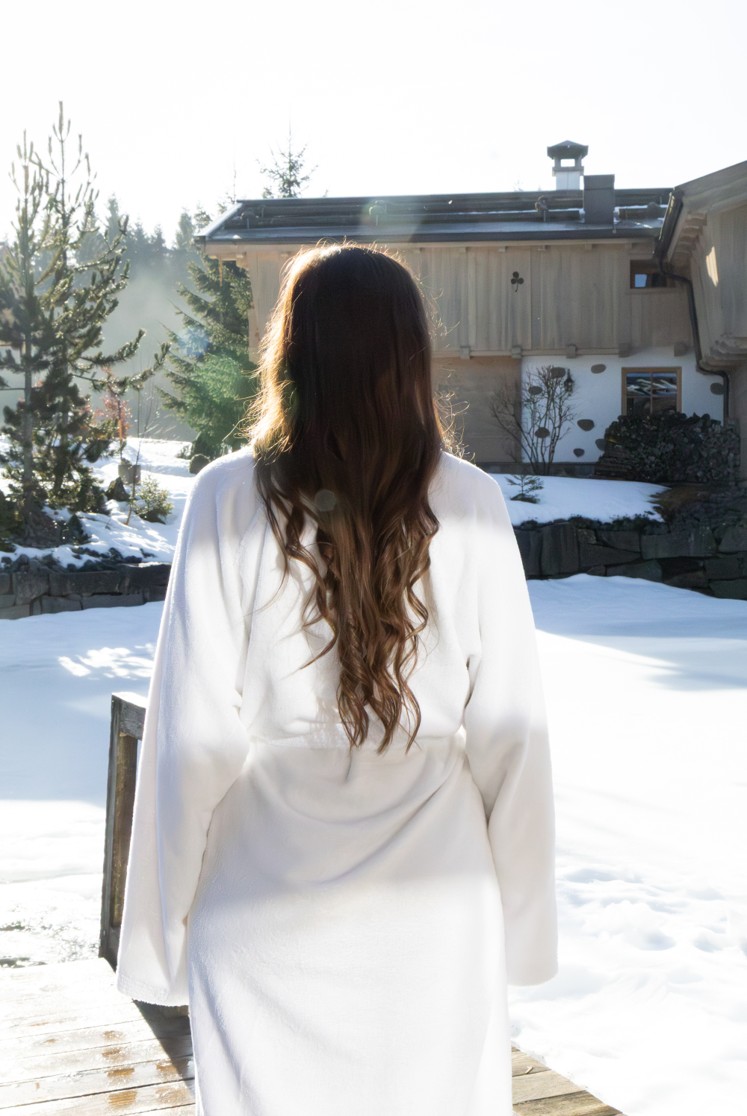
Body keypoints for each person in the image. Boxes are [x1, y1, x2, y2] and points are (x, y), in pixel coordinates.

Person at [116, 244, 557, 1116]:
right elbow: (511, 736)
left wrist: (159, 941)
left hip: (265, 905)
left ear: (292, 352)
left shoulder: (225, 500)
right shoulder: (469, 504)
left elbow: (190, 740)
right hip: (436, 914)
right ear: (410, 357)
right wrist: (524, 931)